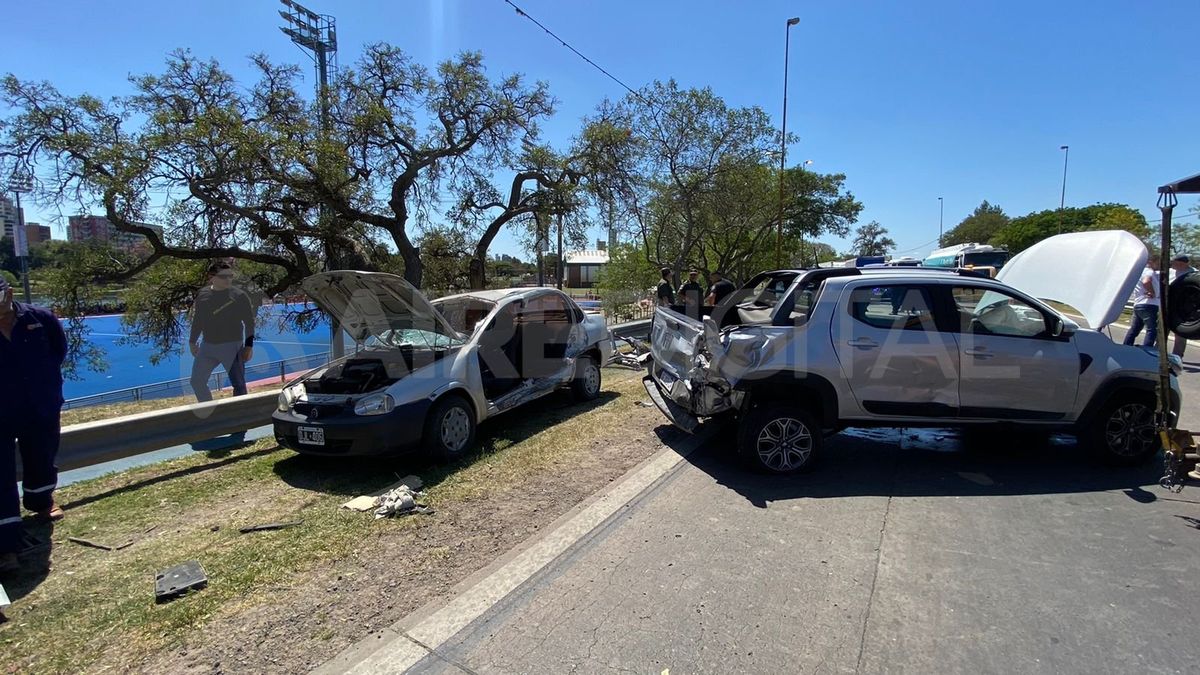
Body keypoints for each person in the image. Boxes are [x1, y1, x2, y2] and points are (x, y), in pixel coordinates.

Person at [0, 276, 67, 573]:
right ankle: (6, 543)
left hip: (40, 404)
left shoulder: (39, 318)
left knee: (42, 456)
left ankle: (41, 501)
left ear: (8, 293)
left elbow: (58, 350)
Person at [189, 262, 256, 402]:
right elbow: (198, 320)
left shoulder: (239, 296)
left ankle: (239, 417)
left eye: (230, 276)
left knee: (238, 384)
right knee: (196, 381)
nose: (228, 280)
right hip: (208, 345)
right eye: (223, 276)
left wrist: (248, 346)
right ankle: (208, 410)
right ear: (211, 277)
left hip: (232, 346)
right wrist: (192, 341)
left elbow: (249, 322)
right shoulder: (203, 294)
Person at [1123, 257, 1160, 348]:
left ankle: (1126, 346)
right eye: (1158, 262)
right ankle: (1147, 349)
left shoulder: (1139, 273)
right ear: (1151, 262)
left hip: (1138, 304)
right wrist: (1152, 292)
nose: (1159, 265)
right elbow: (1146, 281)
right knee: (1152, 329)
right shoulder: (1149, 271)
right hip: (1149, 304)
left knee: (1135, 329)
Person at [1170, 254, 1197, 358]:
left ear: (1182, 263)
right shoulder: (1170, 272)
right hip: (1168, 305)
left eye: (1174, 262)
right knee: (1162, 331)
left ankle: (1177, 357)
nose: (1172, 264)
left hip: (1183, 308)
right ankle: (1157, 354)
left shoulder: (1193, 273)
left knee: (1180, 334)